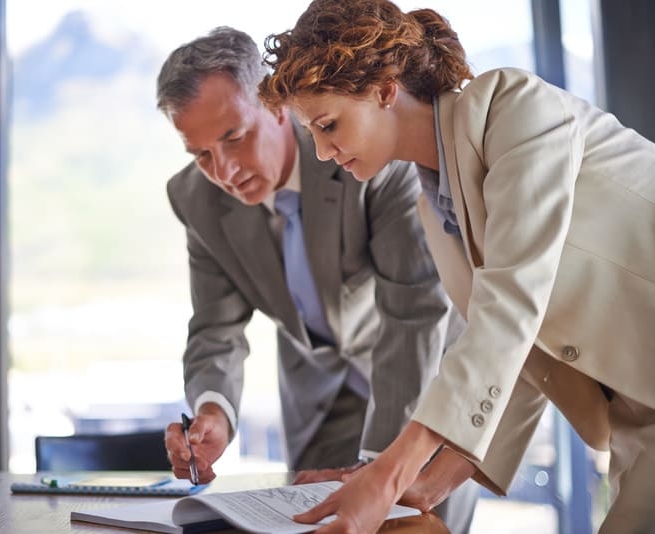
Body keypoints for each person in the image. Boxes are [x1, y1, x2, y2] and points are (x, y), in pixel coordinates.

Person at [258, 0, 655, 532]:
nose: (323, 152)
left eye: (327, 124)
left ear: (383, 87)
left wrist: (390, 473)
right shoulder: (432, 204)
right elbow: (518, 357)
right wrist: (426, 481)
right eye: (312, 133)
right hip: (639, 417)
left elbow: (510, 309)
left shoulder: (517, 109)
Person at [156, 26, 478, 533]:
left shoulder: (361, 152)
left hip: (419, 379)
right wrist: (213, 412)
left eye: (234, 138)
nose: (224, 171)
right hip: (318, 397)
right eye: (201, 154)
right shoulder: (195, 198)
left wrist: (381, 466)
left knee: (416, 524)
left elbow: (413, 311)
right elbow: (215, 329)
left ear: (277, 104)